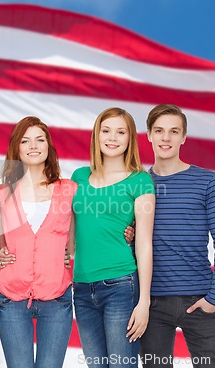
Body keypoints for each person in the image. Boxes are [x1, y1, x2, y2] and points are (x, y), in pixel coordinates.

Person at [139, 104, 215, 368]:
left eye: (173, 131)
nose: (165, 138)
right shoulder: (137, 184)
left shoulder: (208, 182)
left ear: (183, 137)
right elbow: (134, 241)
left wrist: (214, 298)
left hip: (200, 300)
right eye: (159, 131)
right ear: (148, 135)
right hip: (152, 304)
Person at [71, 107, 155, 368]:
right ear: (96, 135)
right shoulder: (78, 177)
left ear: (130, 138)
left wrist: (144, 302)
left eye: (121, 132)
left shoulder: (140, 181)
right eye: (106, 131)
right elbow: (68, 237)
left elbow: (143, 244)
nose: (112, 137)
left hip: (120, 285)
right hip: (82, 288)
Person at [0, 116, 76, 368]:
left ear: (48, 146)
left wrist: (130, 230)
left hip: (57, 297)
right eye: (25, 140)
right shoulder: (2, 193)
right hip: (12, 298)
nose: (33, 145)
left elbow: (80, 237)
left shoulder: (69, 189)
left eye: (39, 139)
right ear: (16, 149)